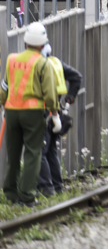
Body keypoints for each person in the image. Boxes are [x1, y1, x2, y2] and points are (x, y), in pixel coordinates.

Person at [0, 22, 59, 206]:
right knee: (33, 153)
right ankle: (26, 197)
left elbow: (4, 88)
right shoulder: (43, 63)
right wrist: (55, 115)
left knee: (13, 153)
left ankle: (9, 194)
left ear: (25, 42)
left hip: (11, 112)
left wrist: (4, 106)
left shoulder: (11, 59)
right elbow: (50, 93)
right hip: (33, 114)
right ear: (42, 45)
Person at [36, 43, 81, 197]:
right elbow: (76, 77)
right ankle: (57, 186)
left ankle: (46, 189)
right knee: (50, 151)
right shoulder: (56, 63)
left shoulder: (40, 66)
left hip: (44, 113)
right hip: (56, 114)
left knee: (40, 152)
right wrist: (69, 100)